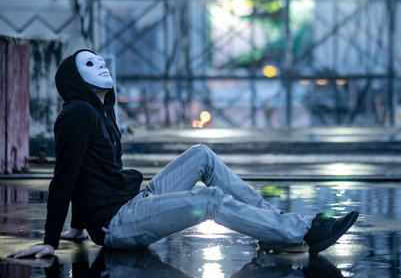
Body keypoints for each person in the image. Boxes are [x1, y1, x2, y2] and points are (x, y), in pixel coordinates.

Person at [8, 49, 358, 259]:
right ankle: (299, 232)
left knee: (201, 154)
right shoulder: (78, 114)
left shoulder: (99, 112)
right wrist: (50, 241)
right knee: (209, 200)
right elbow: (65, 175)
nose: (100, 64)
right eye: (89, 64)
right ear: (74, 78)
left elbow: (92, 172)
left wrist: (78, 227)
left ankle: (274, 224)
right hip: (119, 223)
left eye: (100, 60)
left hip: (131, 202)